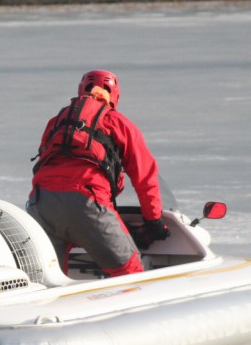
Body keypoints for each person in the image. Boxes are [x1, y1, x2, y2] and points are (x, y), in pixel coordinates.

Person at [26, 69, 169, 277]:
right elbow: (144, 176)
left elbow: (45, 162)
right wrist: (153, 220)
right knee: (130, 271)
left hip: (41, 203)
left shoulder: (57, 121)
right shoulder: (117, 122)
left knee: (48, 276)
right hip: (87, 202)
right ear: (114, 95)